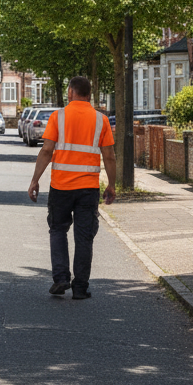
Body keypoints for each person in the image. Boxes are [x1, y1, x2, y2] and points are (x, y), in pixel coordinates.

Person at [27, 76, 116, 300]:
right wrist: (112, 185)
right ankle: (80, 288)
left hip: (61, 187)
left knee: (58, 230)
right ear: (89, 93)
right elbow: (110, 156)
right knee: (84, 237)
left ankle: (60, 279)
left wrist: (35, 179)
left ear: (70, 92)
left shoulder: (59, 116)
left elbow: (47, 150)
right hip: (88, 188)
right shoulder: (101, 120)